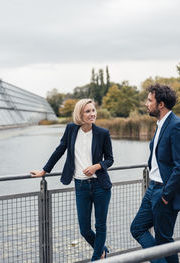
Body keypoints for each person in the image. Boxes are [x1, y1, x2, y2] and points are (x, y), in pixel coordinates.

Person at [31, 98, 113, 261]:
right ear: (80, 114)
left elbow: (110, 159)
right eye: (88, 111)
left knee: (100, 226)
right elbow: (60, 150)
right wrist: (44, 170)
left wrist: (96, 166)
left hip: (100, 186)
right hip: (81, 185)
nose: (92, 114)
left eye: (93, 110)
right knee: (84, 229)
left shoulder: (103, 133)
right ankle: (102, 250)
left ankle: (97, 258)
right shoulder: (71, 130)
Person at [130, 84, 180, 263]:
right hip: (153, 187)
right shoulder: (161, 124)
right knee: (138, 228)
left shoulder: (177, 126)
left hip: (164, 191)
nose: (146, 104)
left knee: (164, 239)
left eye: (149, 100)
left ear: (161, 104)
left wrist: (166, 195)